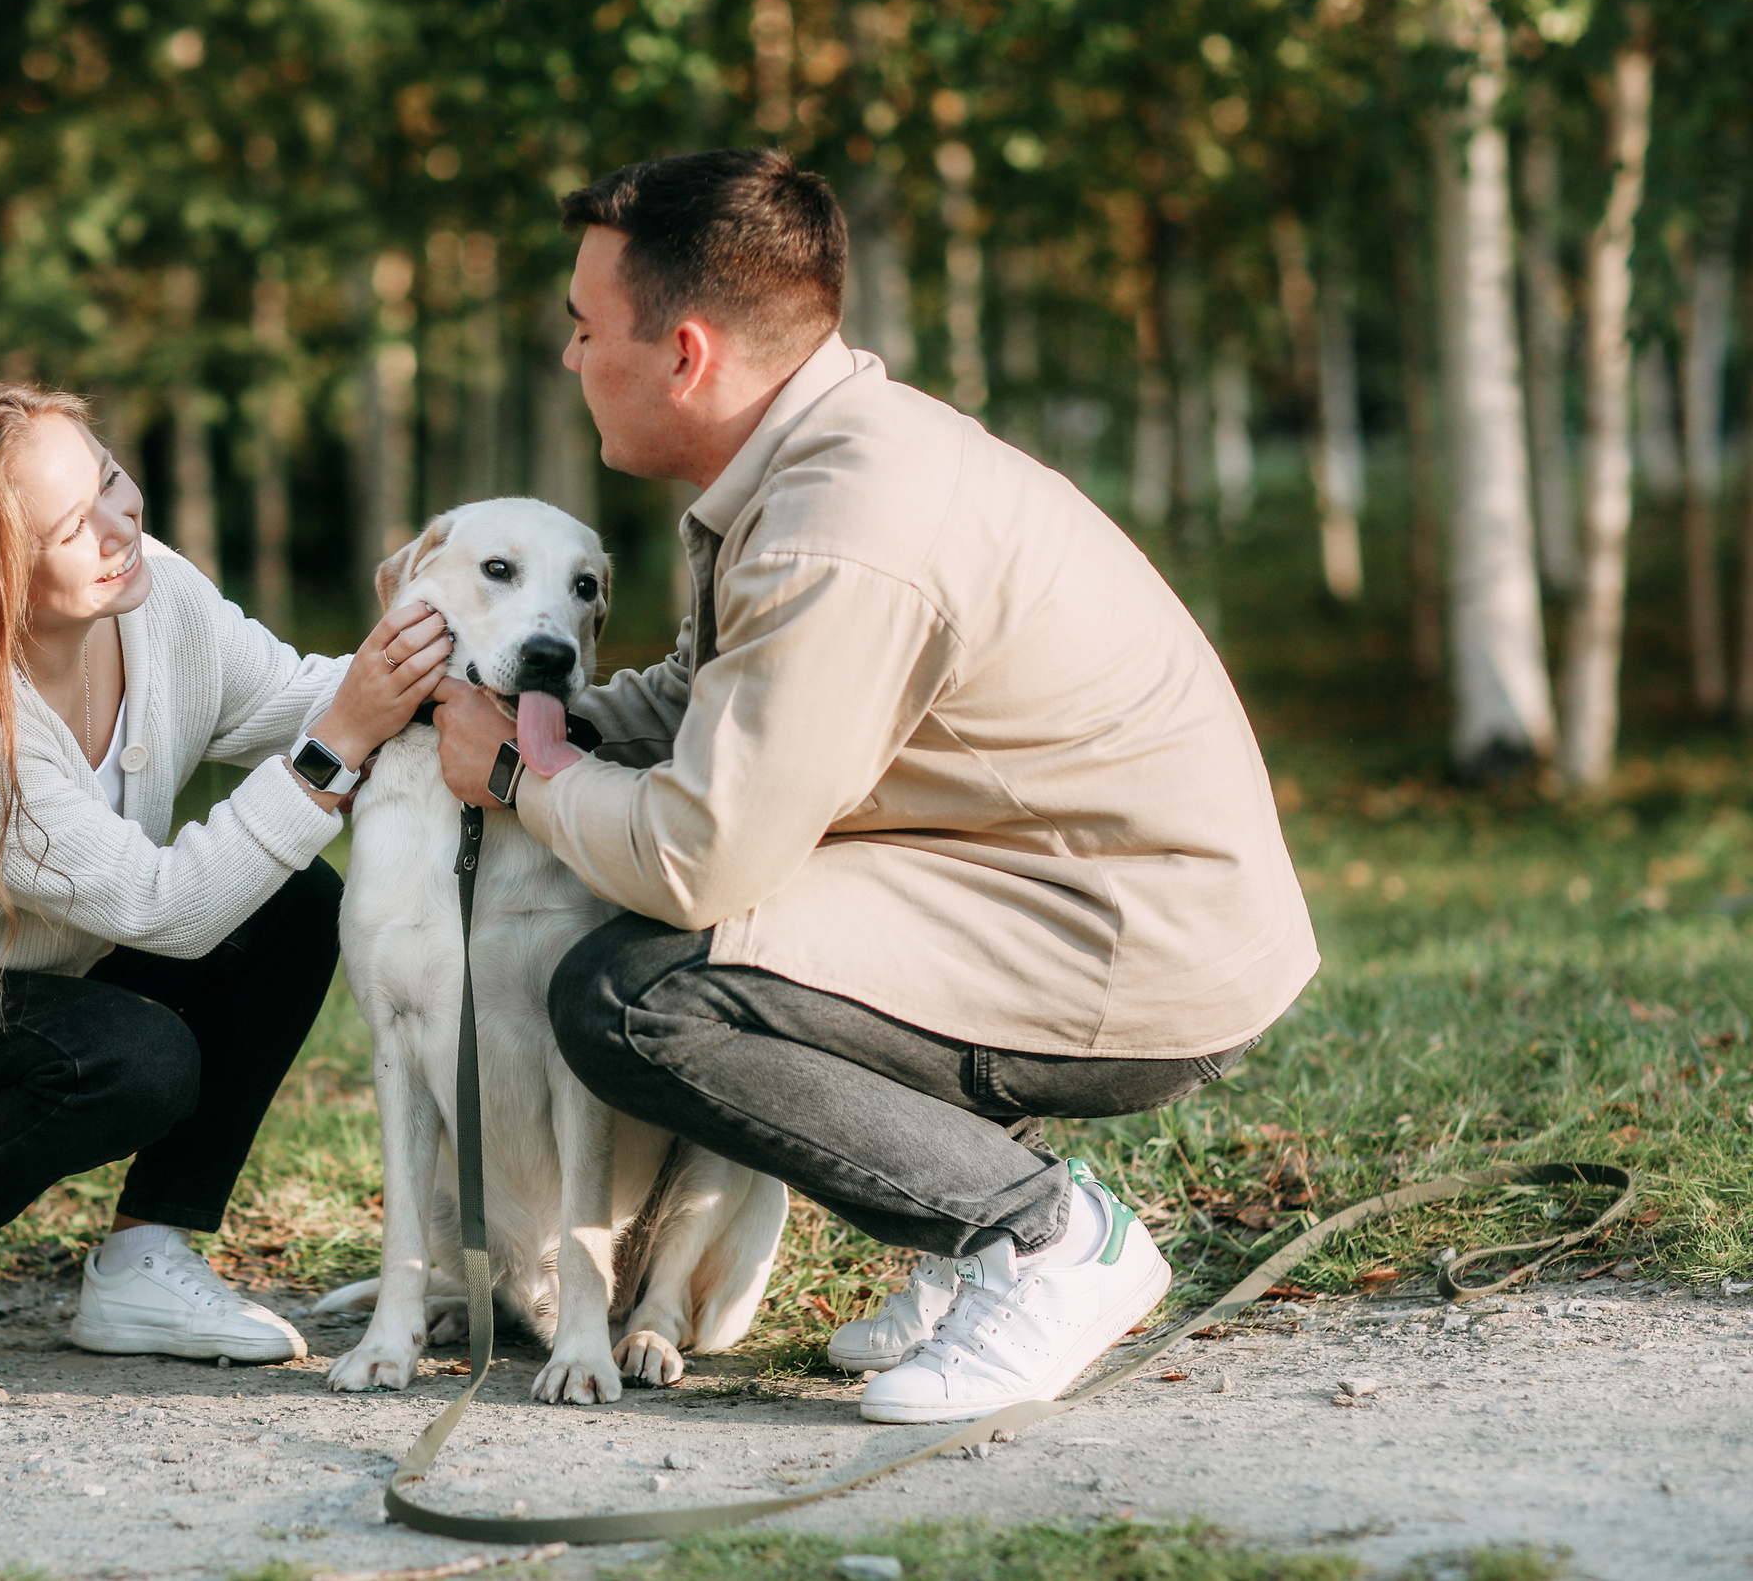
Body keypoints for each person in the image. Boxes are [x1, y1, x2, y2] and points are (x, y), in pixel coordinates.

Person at [432, 150, 1317, 1426]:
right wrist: (510, 717)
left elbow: (698, 855)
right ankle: (985, 1252)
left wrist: (519, 773)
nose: (571, 361)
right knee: (694, 954)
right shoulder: (805, 466)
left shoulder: (838, 522)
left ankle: (1048, 1241)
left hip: (1137, 940)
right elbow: (697, 702)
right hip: (1036, 880)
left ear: (683, 354)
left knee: (639, 997)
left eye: (583, 331)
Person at [0, 378, 451, 1386]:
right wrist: (337, 745)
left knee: (289, 916)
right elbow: (164, 910)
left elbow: (298, 697)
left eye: (113, 480)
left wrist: (463, 685)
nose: (122, 522)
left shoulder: (151, 592)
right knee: (136, 1057)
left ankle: (143, 1257)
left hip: (32, 984)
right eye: (74, 524)